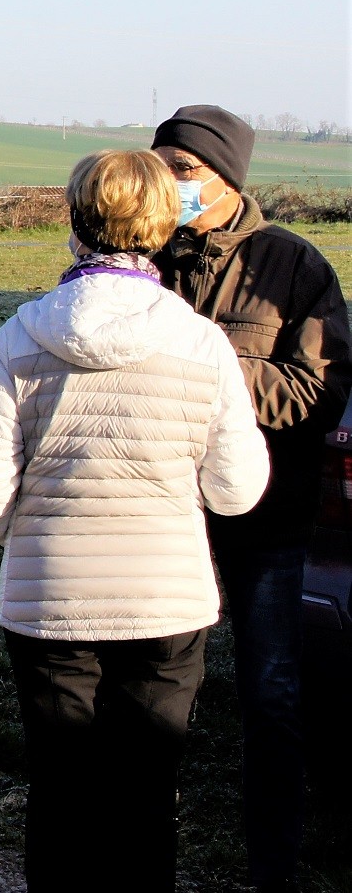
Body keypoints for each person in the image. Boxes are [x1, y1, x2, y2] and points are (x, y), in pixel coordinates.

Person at [0, 149, 270, 890]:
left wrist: (25, 533)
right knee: (144, 795)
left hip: (48, 600)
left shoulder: (22, 335)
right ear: (161, 228)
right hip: (165, 599)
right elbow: (236, 488)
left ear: (74, 221)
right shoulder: (201, 342)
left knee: (60, 790)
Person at [149, 106, 352, 892]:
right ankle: (150, 850)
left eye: (186, 170)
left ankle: (273, 863)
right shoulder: (145, 259)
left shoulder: (293, 266)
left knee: (270, 692)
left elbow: (320, 391)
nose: (171, 184)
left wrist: (209, 374)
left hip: (267, 519)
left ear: (229, 178)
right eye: (160, 166)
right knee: (164, 691)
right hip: (166, 517)